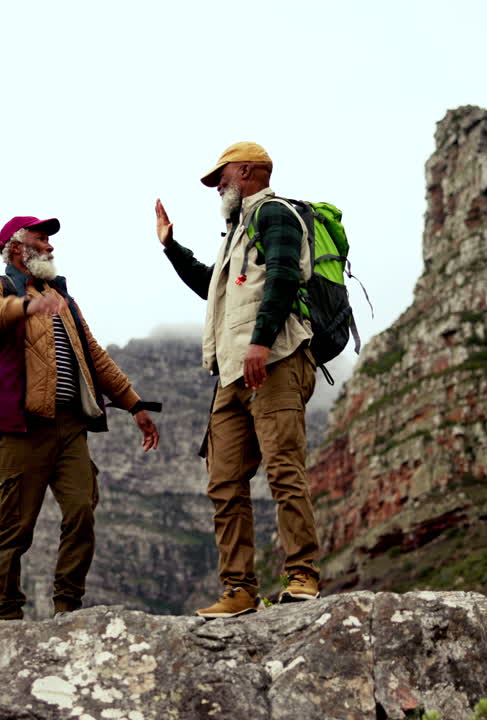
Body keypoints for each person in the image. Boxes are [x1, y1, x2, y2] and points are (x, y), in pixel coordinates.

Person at [154, 142, 322, 618]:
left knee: (283, 469)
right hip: (231, 374)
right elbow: (211, 287)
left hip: (275, 362)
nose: (217, 186)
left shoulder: (276, 214)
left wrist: (260, 343)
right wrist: (171, 248)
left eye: (221, 176)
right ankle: (239, 590)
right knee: (224, 481)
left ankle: (302, 575)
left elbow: (285, 276)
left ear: (247, 171)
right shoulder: (237, 232)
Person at [0, 215, 160, 621]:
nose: (50, 246)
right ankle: (5, 615)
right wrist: (26, 306)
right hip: (22, 429)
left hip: (71, 427)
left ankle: (67, 608)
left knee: (81, 511)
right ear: (17, 248)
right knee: (14, 528)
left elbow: (95, 357)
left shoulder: (62, 299)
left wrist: (135, 405)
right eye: (41, 239)